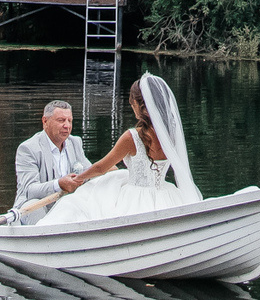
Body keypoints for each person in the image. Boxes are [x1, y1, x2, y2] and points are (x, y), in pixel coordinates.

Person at [32, 73, 198, 224]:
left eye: (132, 104)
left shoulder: (132, 137)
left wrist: (78, 179)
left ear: (141, 106)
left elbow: (100, 167)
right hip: (167, 196)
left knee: (78, 202)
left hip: (136, 199)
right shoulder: (171, 136)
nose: (132, 109)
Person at [13, 100, 88, 212]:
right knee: (35, 206)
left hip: (68, 207)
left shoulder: (75, 142)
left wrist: (107, 170)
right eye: (61, 120)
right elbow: (29, 190)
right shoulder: (28, 148)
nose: (67, 126)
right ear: (45, 121)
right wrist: (59, 184)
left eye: (70, 121)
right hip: (35, 209)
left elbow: (88, 172)